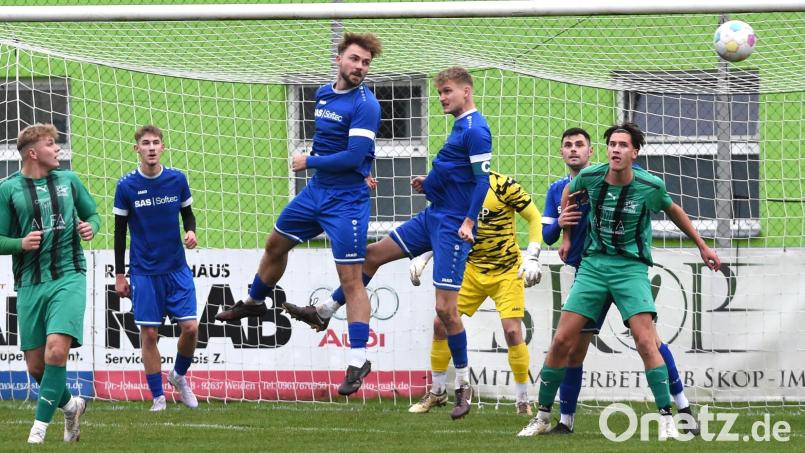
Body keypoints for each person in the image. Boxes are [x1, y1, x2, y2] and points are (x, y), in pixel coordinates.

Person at [284, 66, 491, 419]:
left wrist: (469, 221)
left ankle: (462, 387)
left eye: (447, 92)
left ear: (466, 92)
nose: (442, 97)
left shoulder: (477, 130)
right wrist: (430, 181)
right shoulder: (460, 127)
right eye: (440, 92)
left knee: (446, 311)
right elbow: (456, 173)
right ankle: (325, 312)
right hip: (433, 215)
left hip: (454, 226)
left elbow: (482, 182)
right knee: (370, 257)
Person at [518, 123, 720, 439]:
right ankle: (548, 417)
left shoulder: (649, 185)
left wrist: (703, 245)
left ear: (634, 152)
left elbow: (674, 210)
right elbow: (567, 195)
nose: (616, 149)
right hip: (593, 268)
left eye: (622, 145)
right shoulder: (586, 178)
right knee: (563, 343)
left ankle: (671, 415)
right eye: (612, 144)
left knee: (647, 341)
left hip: (630, 269)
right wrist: (567, 235)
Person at [213, 33, 383, 395]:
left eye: (366, 63)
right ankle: (255, 302)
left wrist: (310, 161)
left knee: (351, 279)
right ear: (339, 58)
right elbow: (336, 147)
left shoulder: (366, 104)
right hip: (316, 193)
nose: (360, 68)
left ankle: (357, 359)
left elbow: (353, 156)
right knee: (275, 244)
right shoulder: (322, 93)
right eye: (355, 59)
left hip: (347, 202)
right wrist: (329, 163)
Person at [293, 170, 543, 415]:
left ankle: (522, 400)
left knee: (512, 331)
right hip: (471, 268)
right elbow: (442, 226)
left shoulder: (502, 185)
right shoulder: (451, 185)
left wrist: (532, 256)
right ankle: (436, 391)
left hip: (506, 271)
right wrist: (424, 256)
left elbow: (534, 217)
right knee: (440, 323)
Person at [0, 123, 99, 444]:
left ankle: (37, 432)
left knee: (57, 352)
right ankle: (71, 406)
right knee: (37, 367)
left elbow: (93, 214)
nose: (58, 149)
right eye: (50, 144)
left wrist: (90, 228)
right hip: (30, 283)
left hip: (69, 276)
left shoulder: (69, 181)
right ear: (32, 152)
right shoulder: (8, 189)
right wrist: (19, 244)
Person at [113, 125, 199, 412]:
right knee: (149, 335)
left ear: (163, 148)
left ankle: (178, 376)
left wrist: (190, 231)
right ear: (136, 149)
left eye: (156, 142)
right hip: (144, 272)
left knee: (190, 328)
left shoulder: (177, 179)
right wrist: (120, 274)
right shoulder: (126, 186)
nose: (151, 147)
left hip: (176, 268)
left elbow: (188, 214)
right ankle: (158, 398)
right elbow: (119, 233)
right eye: (145, 143)